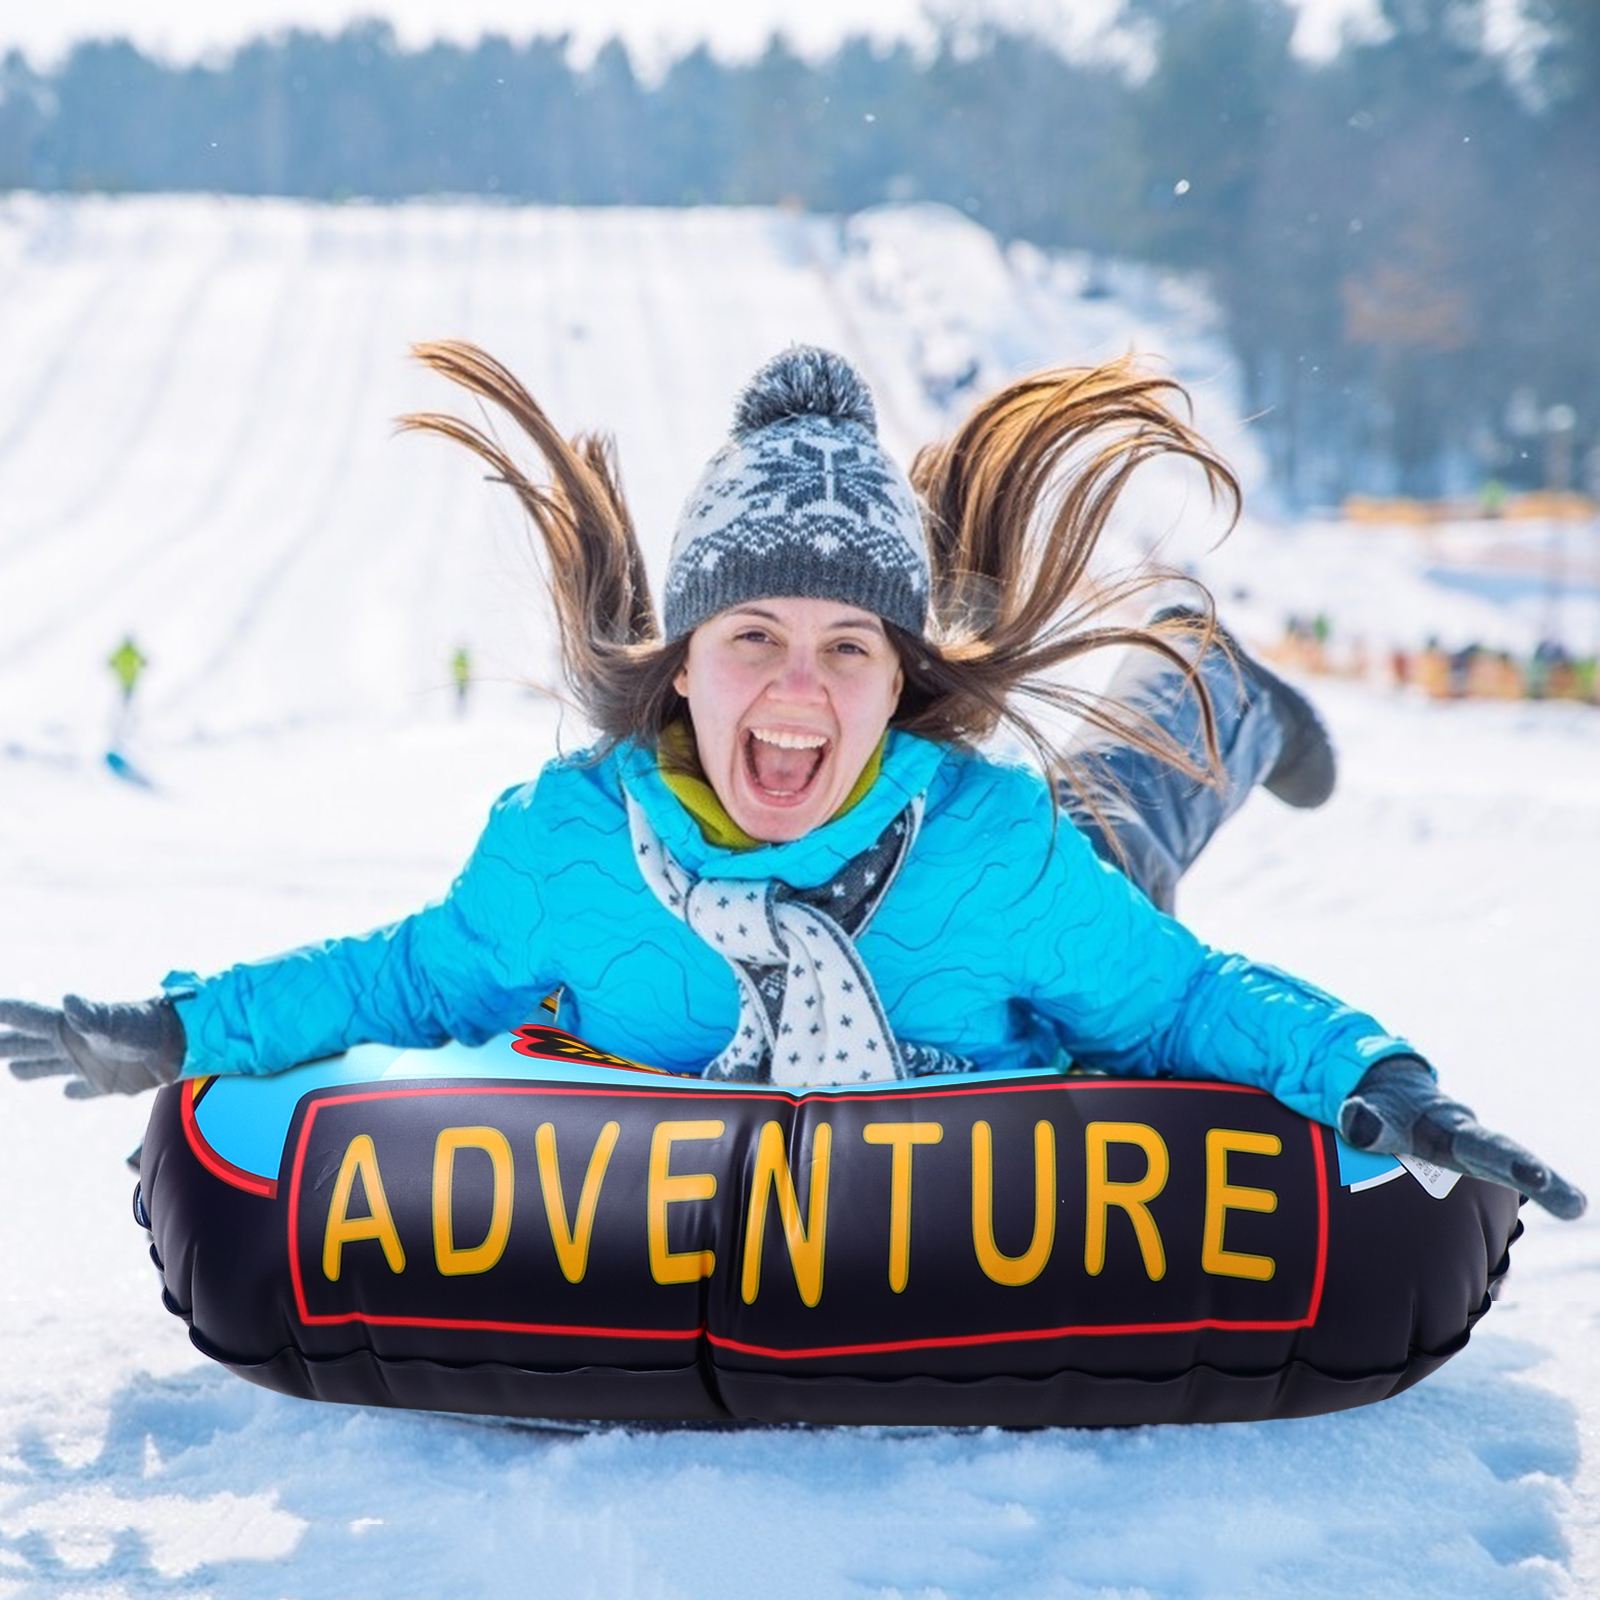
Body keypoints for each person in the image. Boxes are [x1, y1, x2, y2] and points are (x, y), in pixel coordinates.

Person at [1, 344, 1582, 1220]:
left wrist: (1385, 1080)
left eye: (849, 648)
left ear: (903, 686)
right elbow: (404, 976)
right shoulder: (572, 845)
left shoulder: (995, 845)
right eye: (752, 633)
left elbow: (1189, 1007)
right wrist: (180, 1026)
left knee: (1131, 808)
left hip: (1023, 916)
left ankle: (1202, 666)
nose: (796, 687)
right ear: (681, 664)